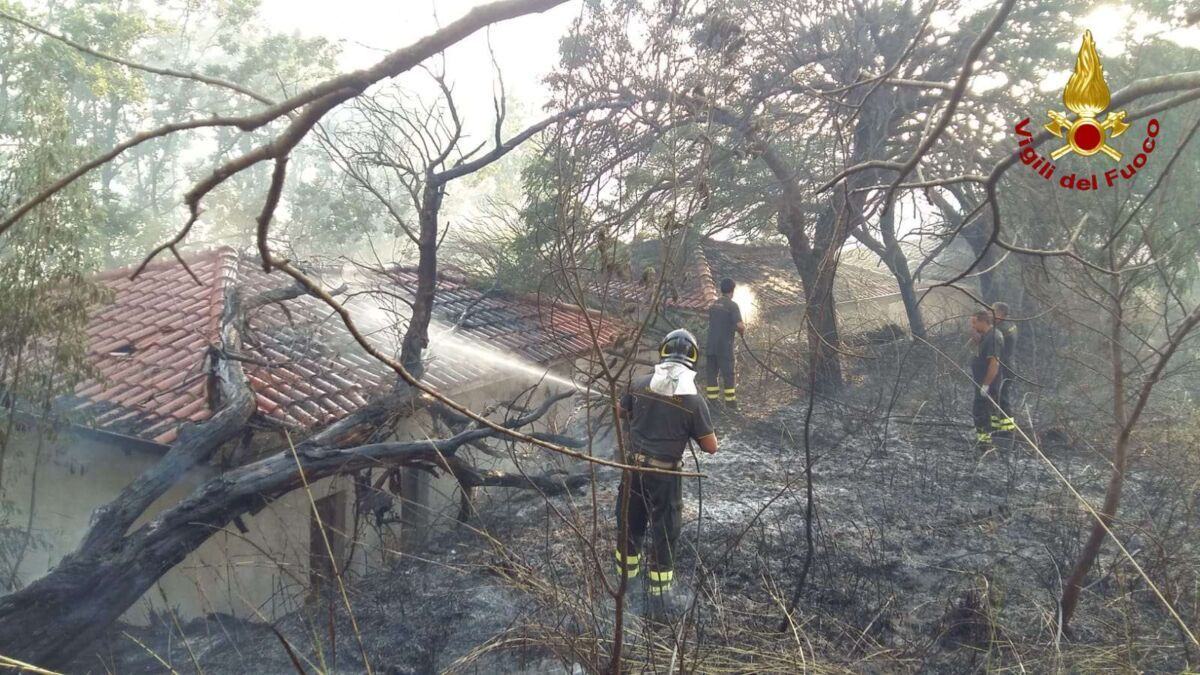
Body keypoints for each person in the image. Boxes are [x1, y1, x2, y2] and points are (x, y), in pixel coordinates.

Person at [615, 329, 718, 619]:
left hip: (632, 469)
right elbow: (711, 447)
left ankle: (625, 586)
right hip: (665, 477)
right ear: (693, 358)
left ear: (663, 352)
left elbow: (620, 412)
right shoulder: (694, 401)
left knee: (629, 524)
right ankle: (660, 602)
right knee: (664, 531)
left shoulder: (638, 384)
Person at [705, 278, 745, 409]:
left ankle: (712, 401)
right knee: (728, 375)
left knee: (712, 374)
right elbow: (740, 325)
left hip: (711, 346)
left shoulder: (713, 305)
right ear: (732, 290)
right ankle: (730, 403)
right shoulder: (732, 306)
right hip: (724, 347)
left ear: (721, 289)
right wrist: (740, 329)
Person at [969, 309, 1004, 450]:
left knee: (980, 412)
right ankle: (992, 439)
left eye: (974, 322)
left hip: (988, 384)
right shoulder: (987, 335)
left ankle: (984, 443)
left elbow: (994, 364)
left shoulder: (993, 338)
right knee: (989, 412)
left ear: (983, 321)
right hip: (982, 382)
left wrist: (986, 385)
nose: (973, 326)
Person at [992, 302, 1018, 437]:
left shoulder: (1002, 329)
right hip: (1007, 365)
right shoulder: (1011, 324)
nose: (991, 314)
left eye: (993, 312)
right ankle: (997, 428)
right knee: (996, 398)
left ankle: (1008, 430)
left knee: (1002, 397)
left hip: (1003, 367)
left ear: (1000, 313)